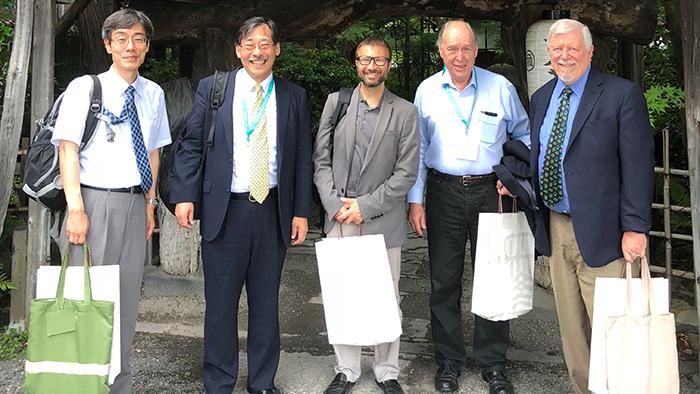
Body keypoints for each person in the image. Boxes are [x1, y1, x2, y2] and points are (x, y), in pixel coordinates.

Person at [170, 17, 312, 394]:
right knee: (220, 305)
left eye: (265, 43)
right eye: (249, 43)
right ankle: (219, 381)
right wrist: (184, 195)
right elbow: (190, 145)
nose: (257, 51)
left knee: (266, 304)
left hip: (273, 211)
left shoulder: (293, 96)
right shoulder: (214, 89)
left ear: (277, 49)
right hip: (225, 211)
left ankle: (262, 381)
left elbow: (301, 159)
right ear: (238, 50)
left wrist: (301, 210)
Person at [521, 19, 654, 394]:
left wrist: (635, 227)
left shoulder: (620, 95)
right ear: (549, 53)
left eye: (572, 49)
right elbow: (541, 155)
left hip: (606, 231)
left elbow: (638, 167)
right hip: (557, 224)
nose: (564, 56)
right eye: (557, 49)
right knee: (572, 329)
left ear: (590, 52)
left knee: (612, 327)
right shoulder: (543, 97)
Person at [407, 20, 530, 394]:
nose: (459, 56)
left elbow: (523, 135)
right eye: (451, 49)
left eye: (466, 48)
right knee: (443, 282)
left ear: (476, 50)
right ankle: (448, 362)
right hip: (443, 192)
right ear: (440, 51)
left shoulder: (500, 88)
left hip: (490, 193)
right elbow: (419, 149)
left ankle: (493, 364)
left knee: (493, 278)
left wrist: (511, 176)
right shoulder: (427, 91)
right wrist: (416, 198)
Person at [52, 9, 171, 394]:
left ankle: (118, 382)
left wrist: (151, 204)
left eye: (138, 39)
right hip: (94, 203)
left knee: (124, 301)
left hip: (137, 204)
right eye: (121, 39)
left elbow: (153, 153)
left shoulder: (153, 93)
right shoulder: (85, 88)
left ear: (147, 46)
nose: (130, 46)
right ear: (107, 44)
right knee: (88, 298)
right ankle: (81, 382)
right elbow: (67, 150)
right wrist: (75, 209)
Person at [313, 37, 420, 394]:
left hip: (381, 217)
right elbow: (320, 159)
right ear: (356, 64)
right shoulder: (337, 102)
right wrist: (335, 205)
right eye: (364, 60)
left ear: (390, 64)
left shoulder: (404, 111)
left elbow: (406, 173)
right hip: (339, 216)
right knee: (342, 293)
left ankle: (387, 369)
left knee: (386, 296)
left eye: (379, 60)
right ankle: (346, 368)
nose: (371, 66)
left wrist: (366, 206)